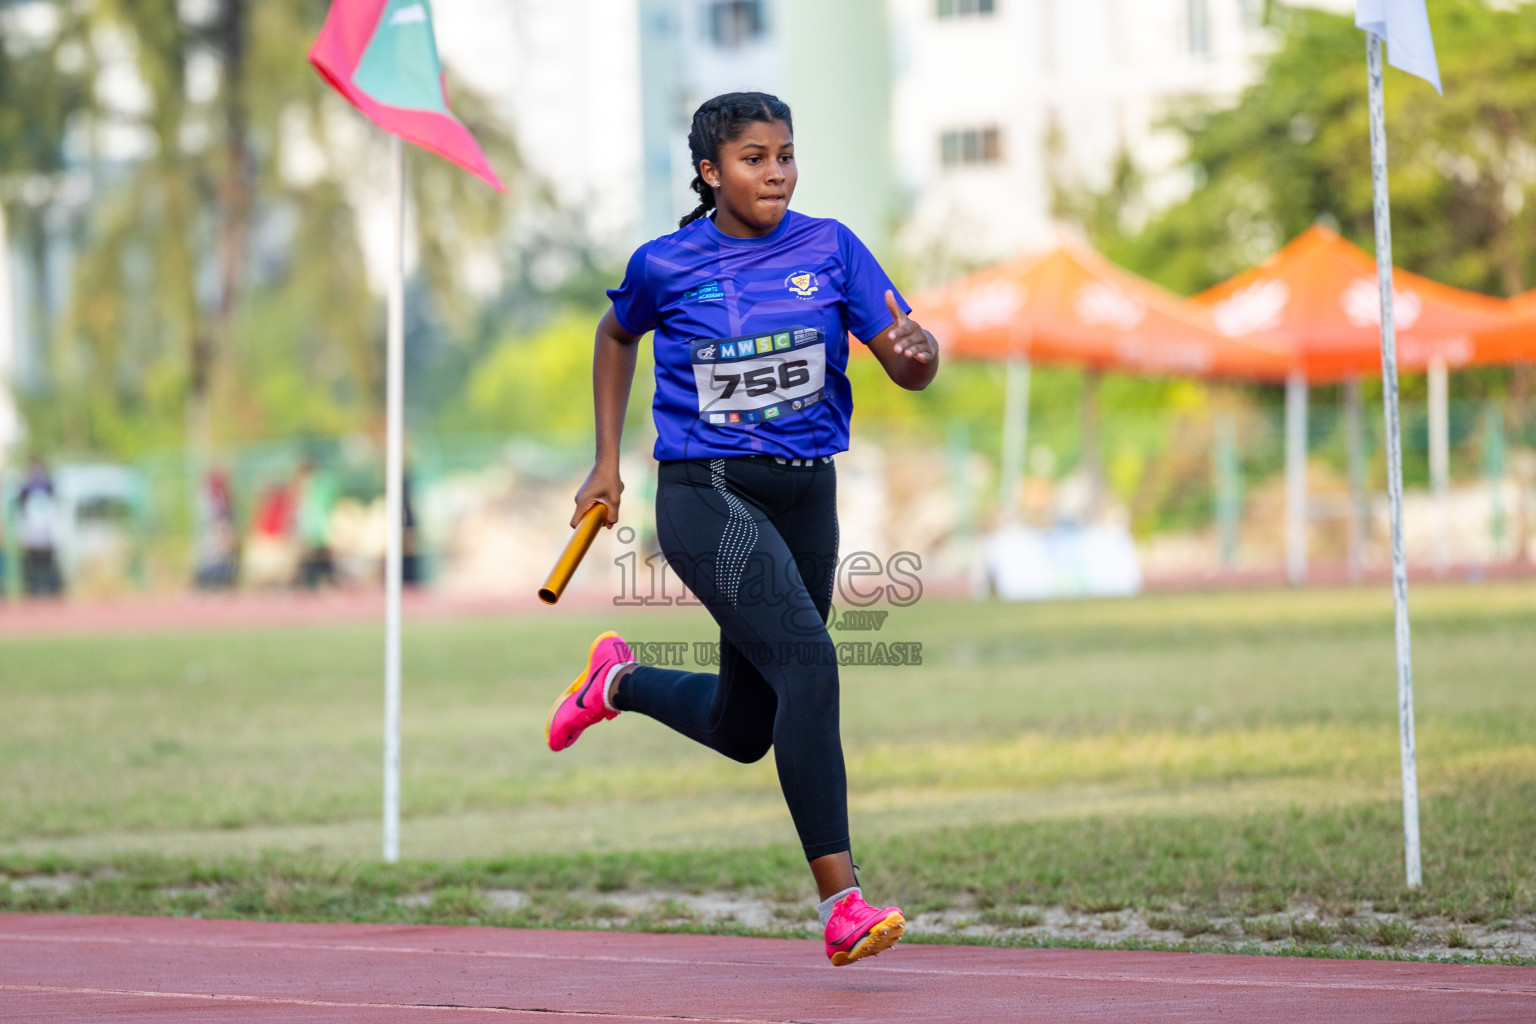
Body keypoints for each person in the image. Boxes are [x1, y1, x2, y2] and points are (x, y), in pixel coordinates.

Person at [543, 92, 939, 967]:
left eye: (787, 155)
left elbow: (907, 355)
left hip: (808, 496)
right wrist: (605, 461)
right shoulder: (666, 263)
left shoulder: (832, 247)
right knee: (811, 661)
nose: (777, 173)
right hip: (705, 493)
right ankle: (842, 903)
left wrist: (919, 354)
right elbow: (615, 336)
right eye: (755, 159)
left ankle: (618, 682)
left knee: (744, 726)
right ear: (710, 172)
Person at [16, 458, 64, 598]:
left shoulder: (47, 486)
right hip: (36, 533)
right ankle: (36, 592)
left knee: (44, 564)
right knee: (35, 564)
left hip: (45, 533)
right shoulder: (27, 488)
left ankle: (48, 592)